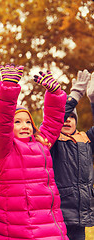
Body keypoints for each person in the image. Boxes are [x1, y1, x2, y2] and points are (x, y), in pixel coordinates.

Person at [0, 64, 69, 239]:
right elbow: (1, 121)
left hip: (50, 221)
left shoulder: (41, 143)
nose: (24, 125)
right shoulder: (4, 148)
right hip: (21, 224)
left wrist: (55, 94)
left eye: (28, 122)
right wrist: (8, 88)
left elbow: (54, 120)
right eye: (17, 122)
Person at [50, 69, 94, 240]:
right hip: (58, 212)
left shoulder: (85, 139)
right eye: (65, 117)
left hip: (80, 214)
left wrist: (93, 100)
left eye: (72, 118)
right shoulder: (52, 141)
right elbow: (54, 121)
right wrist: (74, 96)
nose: (68, 120)